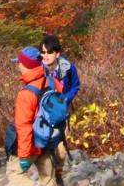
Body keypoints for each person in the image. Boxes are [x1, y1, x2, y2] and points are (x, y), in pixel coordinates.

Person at [6, 48, 60, 186]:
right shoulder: (52, 82)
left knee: (14, 173)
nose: (18, 65)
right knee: (48, 178)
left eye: (19, 62)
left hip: (33, 143)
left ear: (26, 65)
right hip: (50, 140)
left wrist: (24, 156)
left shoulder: (26, 94)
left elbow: (24, 127)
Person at [39, 35, 80, 184]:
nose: (46, 56)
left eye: (49, 52)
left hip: (62, 114)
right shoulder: (38, 70)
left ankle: (58, 172)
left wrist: (65, 99)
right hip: (43, 116)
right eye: (43, 52)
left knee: (61, 150)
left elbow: (76, 86)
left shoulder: (67, 68)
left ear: (57, 54)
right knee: (46, 149)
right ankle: (48, 179)